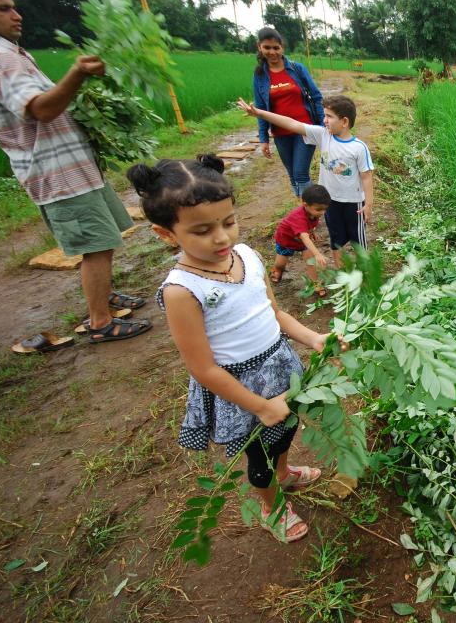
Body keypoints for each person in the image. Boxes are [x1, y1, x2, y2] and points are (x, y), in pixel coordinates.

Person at [129, 154, 328, 542]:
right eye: (202, 230)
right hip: (241, 388)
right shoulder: (182, 290)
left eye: (229, 222)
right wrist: (260, 405)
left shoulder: (248, 257)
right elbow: (203, 369)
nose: (221, 238)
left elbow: (273, 312)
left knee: (287, 428)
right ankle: (271, 506)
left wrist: (312, 337)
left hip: (278, 364)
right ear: (166, 234)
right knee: (260, 455)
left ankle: (285, 476)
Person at [0, 0, 151, 349]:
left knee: (103, 238)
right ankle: (100, 322)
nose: (16, 15)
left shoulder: (14, 54)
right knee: (95, 244)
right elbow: (42, 108)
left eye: (13, 7)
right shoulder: (1, 59)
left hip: (73, 168)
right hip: (57, 174)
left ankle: (106, 297)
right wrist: (78, 74)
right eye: (3, 9)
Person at [237, 94, 374, 269]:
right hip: (330, 202)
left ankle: (364, 273)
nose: (324, 120)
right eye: (324, 115)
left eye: (329, 116)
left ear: (344, 121)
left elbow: (366, 177)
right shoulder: (323, 135)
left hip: (353, 203)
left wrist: (368, 204)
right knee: (336, 239)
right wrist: (260, 114)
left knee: (358, 241)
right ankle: (341, 274)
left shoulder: (359, 148)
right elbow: (292, 123)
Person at [251, 26, 324, 198]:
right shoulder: (260, 75)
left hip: (304, 129)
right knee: (292, 174)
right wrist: (264, 139)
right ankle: (304, 209)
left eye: (276, 48)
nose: (272, 52)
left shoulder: (296, 69)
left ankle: (311, 212)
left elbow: (316, 96)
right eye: (267, 48)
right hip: (280, 133)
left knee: (300, 173)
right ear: (259, 47)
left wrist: (322, 126)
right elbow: (261, 109)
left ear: (282, 47)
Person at [271, 183, 332, 296]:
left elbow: (309, 226)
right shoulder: (298, 217)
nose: (322, 213)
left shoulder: (314, 213)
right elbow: (304, 236)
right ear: (305, 205)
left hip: (301, 241)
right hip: (286, 240)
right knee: (281, 263)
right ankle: (277, 270)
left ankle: (316, 284)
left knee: (310, 261)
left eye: (325, 209)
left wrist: (312, 232)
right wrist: (318, 254)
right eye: (319, 210)